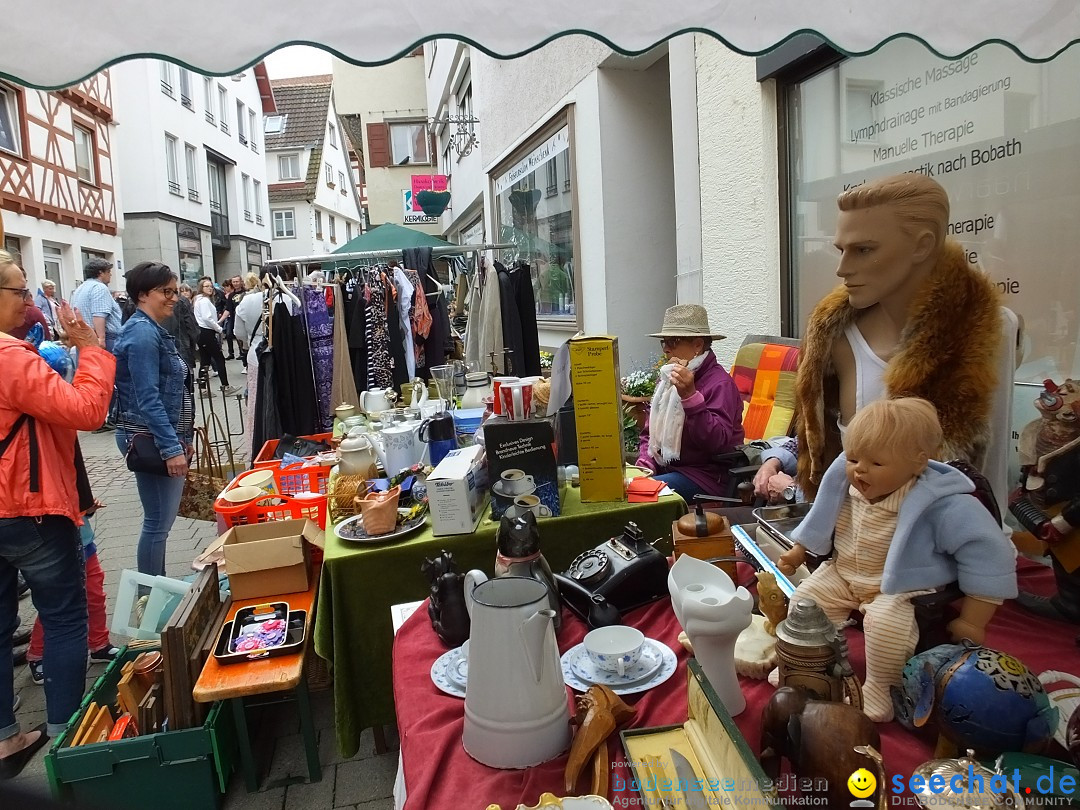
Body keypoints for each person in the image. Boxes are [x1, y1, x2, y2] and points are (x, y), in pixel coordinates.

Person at [754, 173, 1012, 507]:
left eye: (863, 250)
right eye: (841, 250)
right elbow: (828, 458)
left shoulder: (986, 330)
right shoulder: (836, 341)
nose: (843, 268)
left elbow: (991, 470)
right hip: (848, 544)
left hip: (944, 547)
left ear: (922, 245)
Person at [776, 398, 1017, 722]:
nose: (860, 469)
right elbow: (821, 516)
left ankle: (880, 688)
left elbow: (988, 552)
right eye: (853, 458)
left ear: (919, 463)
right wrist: (799, 550)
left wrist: (973, 620)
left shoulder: (943, 505)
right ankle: (809, 670)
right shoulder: (845, 482)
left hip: (900, 586)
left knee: (885, 625)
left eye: (876, 464)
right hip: (844, 572)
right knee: (806, 601)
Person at [0, 249, 114, 778]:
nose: (29, 301)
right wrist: (90, 350)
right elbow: (87, 411)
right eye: (20, 292)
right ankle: (64, 739)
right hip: (28, 508)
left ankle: (5, 737)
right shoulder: (9, 357)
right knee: (66, 618)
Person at [112, 262, 194, 577]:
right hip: (147, 436)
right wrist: (171, 447)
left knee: (160, 521)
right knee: (157, 522)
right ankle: (149, 598)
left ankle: (154, 589)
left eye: (175, 291)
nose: (173, 298)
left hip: (156, 434)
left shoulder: (150, 329)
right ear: (143, 294)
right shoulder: (143, 334)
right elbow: (148, 398)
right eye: (166, 292)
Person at [26, 448, 119, 686]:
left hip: (83, 540)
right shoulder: (34, 466)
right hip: (59, 542)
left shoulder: (63, 456)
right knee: (59, 604)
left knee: (95, 594)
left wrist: (87, 505)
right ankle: (37, 654)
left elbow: (78, 487)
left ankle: (99, 643)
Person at [635, 304, 744, 502]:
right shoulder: (667, 380)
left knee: (640, 497)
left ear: (697, 345)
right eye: (663, 342)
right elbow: (648, 433)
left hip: (706, 478)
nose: (666, 348)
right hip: (668, 470)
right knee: (628, 488)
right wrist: (645, 464)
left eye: (673, 341)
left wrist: (690, 397)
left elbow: (718, 443)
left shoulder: (720, 384)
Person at [193, 278, 242, 396]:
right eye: (206, 286)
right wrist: (218, 328)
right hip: (206, 332)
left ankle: (203, 389)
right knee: (219, 358)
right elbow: (207, 318)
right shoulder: (204, 301)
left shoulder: (199, 300)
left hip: (202, 333)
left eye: (211, 286)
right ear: (201, 288)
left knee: (205, 360)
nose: (210, 288)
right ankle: (225, 386)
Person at [69, 258, 122, 352]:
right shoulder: (99, 288)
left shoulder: (80, 288)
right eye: (108, 271)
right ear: (100, 273)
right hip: (105, 337)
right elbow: (99, 315)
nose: (110, 274)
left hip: (86, 336)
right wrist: (101, 339)